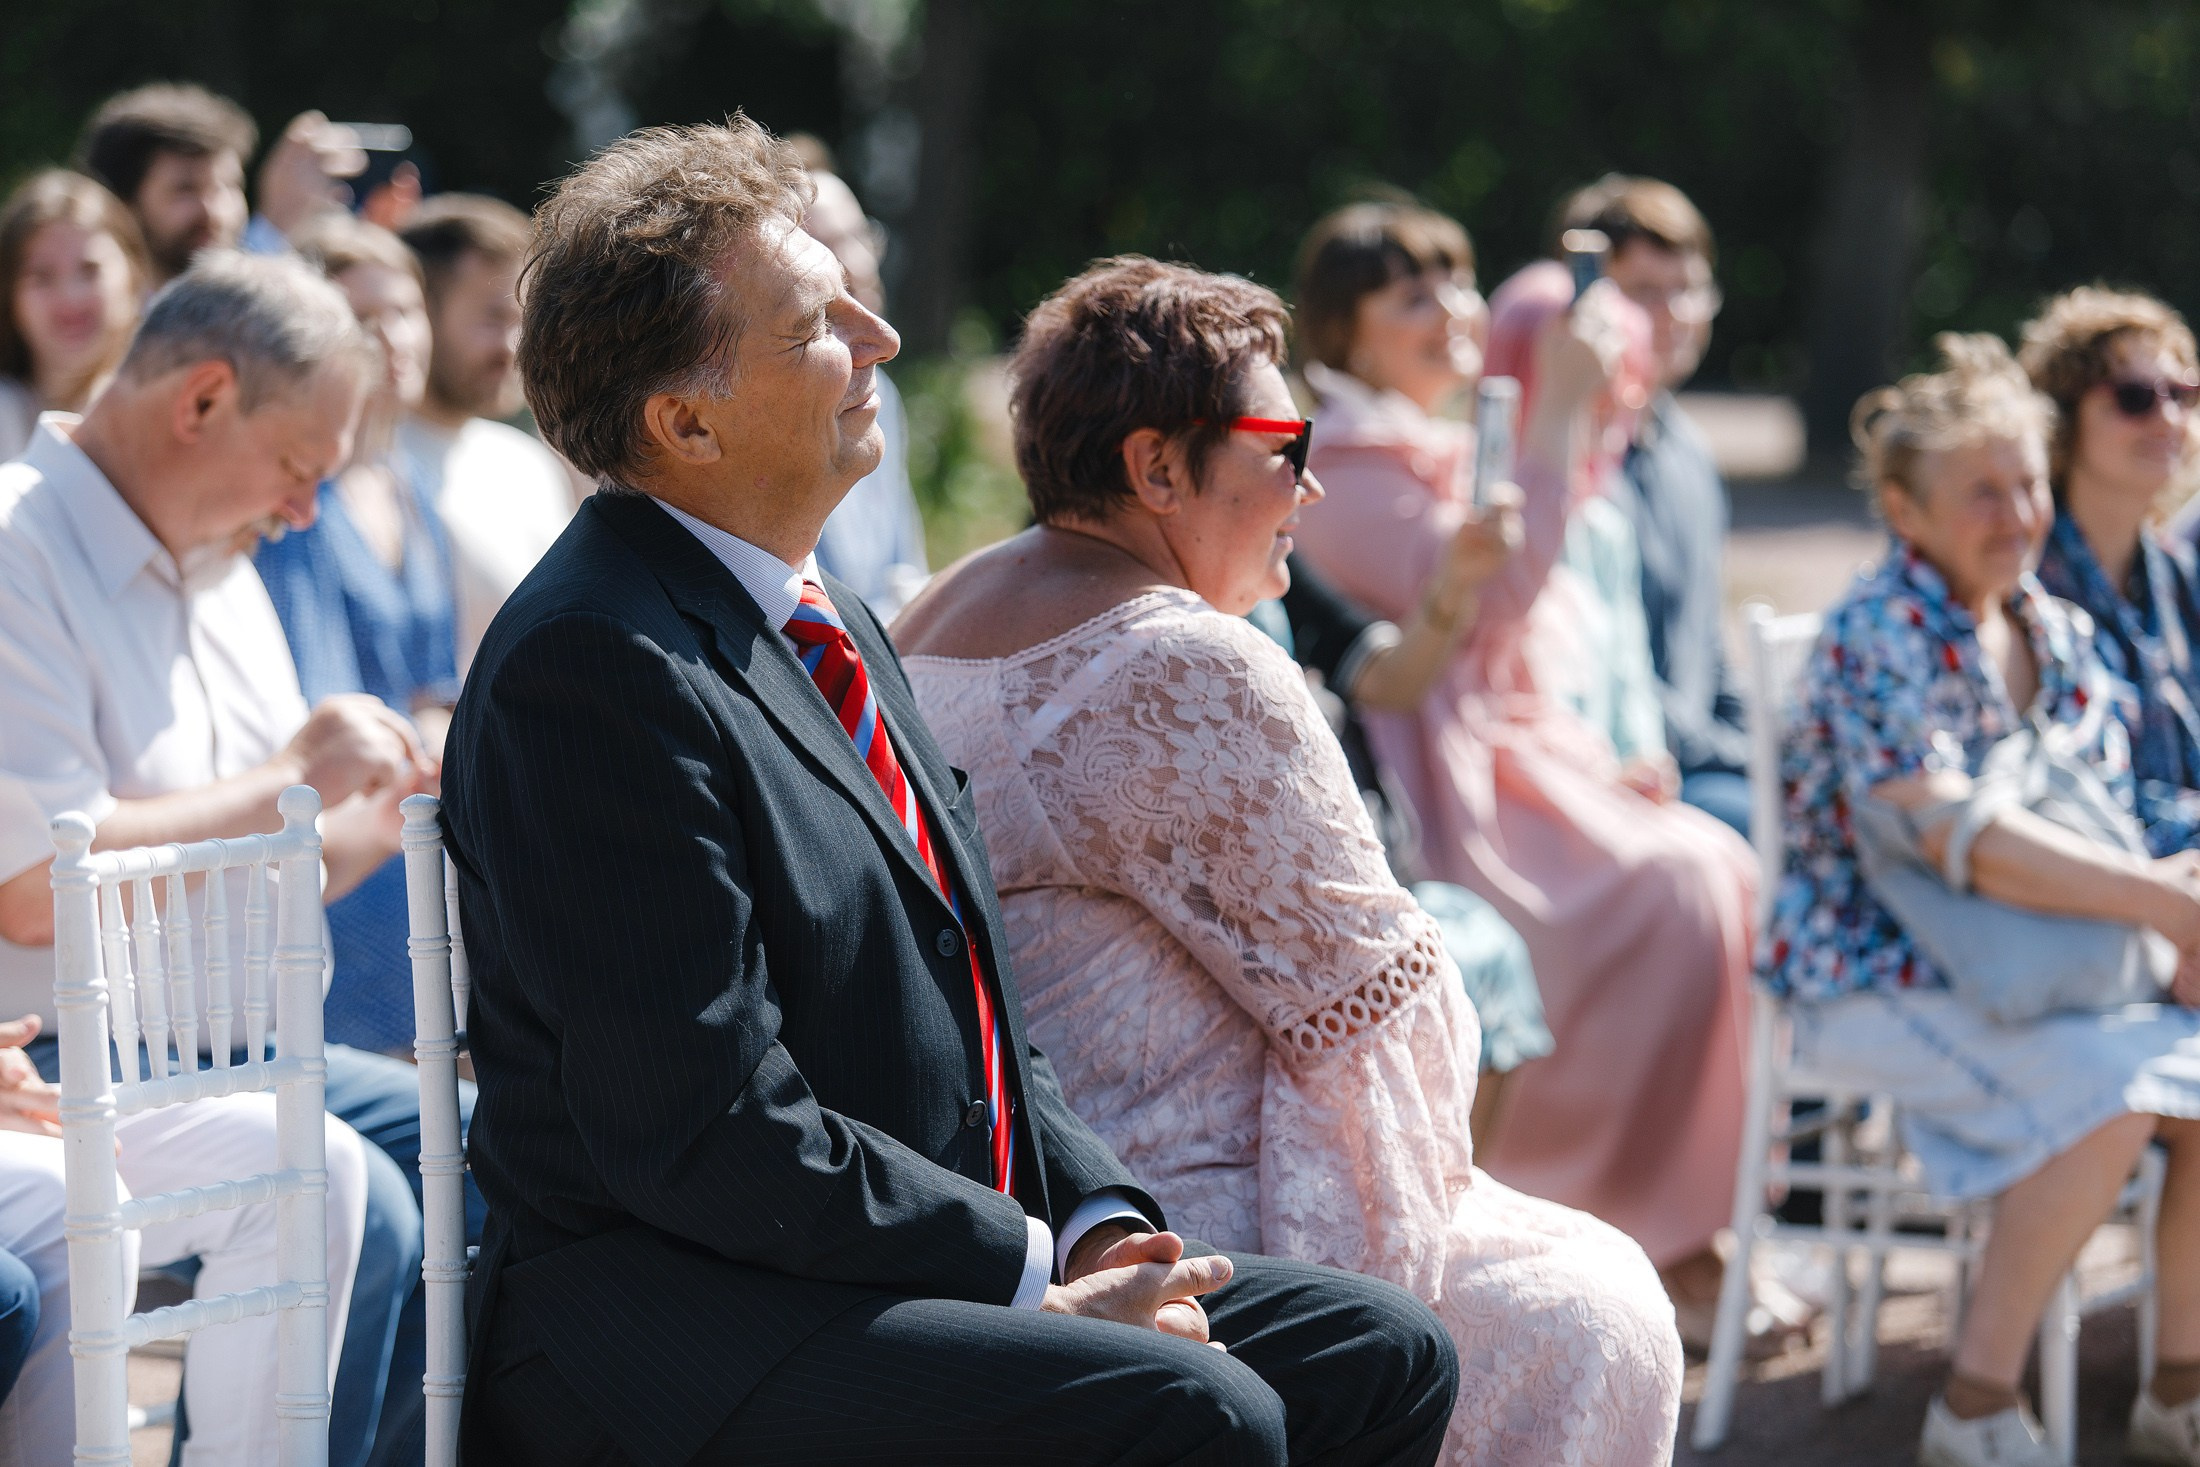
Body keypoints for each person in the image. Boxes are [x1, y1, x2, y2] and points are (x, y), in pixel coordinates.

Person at [442, 118, 1459, 1467]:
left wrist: (1097, 1219)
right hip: (673, 1332)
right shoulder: (593, 667)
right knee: (1205, 1413)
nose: (882, 336)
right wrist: (1036, 1277)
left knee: (1381, 1354)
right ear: (684, 420)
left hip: (868, 1261)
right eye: (816, 321)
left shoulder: (838, 620)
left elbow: (977, 1001)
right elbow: (701, 1127)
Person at [899, 255, 1682, 1464]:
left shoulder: (929, 615)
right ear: (1156, 468)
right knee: (1597, 1309)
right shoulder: (1179, 663)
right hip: (1164, 1212)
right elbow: (1375, 1007)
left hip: (1007, 1183)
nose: (1310, 486)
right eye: (1282, 444)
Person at [0, 251, 457, 1467]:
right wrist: (292, 771)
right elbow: (41, 892)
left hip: (245, 1049)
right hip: (69, 1063)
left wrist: (419, 798)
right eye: (300, 470)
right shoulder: (13, 547)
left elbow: (271, 863)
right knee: (347, 1186)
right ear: (201, 401)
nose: (306, 511)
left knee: (503, 1145)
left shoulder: (226, 569)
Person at [1287, 200, 1761, 1346]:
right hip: (1443, 788)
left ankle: (1672, 1221)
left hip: (1515, 754)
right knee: (1672, 894)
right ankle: (1608, 1208)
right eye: (1412, 295)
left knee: (1721, 867)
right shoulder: (1345, 470)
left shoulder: (1418, 445)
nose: (1452, 311)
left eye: (1455, 286)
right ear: (1343, 334)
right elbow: (1492, 613)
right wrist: (1553, 420)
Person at [1764, 333, 2200, 1467]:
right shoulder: (1874, 630)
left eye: (2027, 485)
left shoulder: (2047, 628)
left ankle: (2176, 1390)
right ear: (1904, 512)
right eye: (1981, 493)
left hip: (2030, 966)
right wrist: (2162, 909)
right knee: (2113, 1093)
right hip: (1869, 970)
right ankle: (1972, 1405)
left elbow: (2117, 817)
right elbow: (1966, 843)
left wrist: (2180, 896)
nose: (2015, 515)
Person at [257, 213, 459, 1060]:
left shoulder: (408, 483)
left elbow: (434, 680)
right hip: (341, 846)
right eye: (362, 316)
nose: (392, 337)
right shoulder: (299, 502)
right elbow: (313, 697)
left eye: (406, 309)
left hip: (418, 829)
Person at [1556, 175, 1751, 835]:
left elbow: (1708, 652)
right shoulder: (1567, 464)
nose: (1673, 313)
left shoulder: (1688, 450)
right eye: (1643, 291)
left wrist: (1765, 745)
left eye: (1687, 289)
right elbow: (1604, 676)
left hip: (1702, 763)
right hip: (1621, 778)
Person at [2023, 287, 2200, 851]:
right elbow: (2071, 794)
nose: (2168, 417)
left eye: (2183, 392)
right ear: (2061, 419)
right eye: (2134, 398)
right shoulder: (2022, 579)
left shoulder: (2175, 571)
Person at [395, 194, 576, 671]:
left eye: (523, 321)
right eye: (493, 319)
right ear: (423, 313)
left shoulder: (526, 463)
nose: (514, 348)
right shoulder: (371, 472)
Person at [795, 139, 930, 619]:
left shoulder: (881, 395)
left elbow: (904, 571)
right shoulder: (780, 408)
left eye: (860, 236)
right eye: (828, 248)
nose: (864, 266)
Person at [76, 84, 368, 283]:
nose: (214, 211)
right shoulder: (91, 329)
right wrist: (271, 232)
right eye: (185, 190)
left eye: (228, 186)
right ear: (120, 204)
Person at [0, 171, 151, 460]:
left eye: (90, 271)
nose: (70, 297)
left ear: (133, 277)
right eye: (41, 277)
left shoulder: (176, 416)